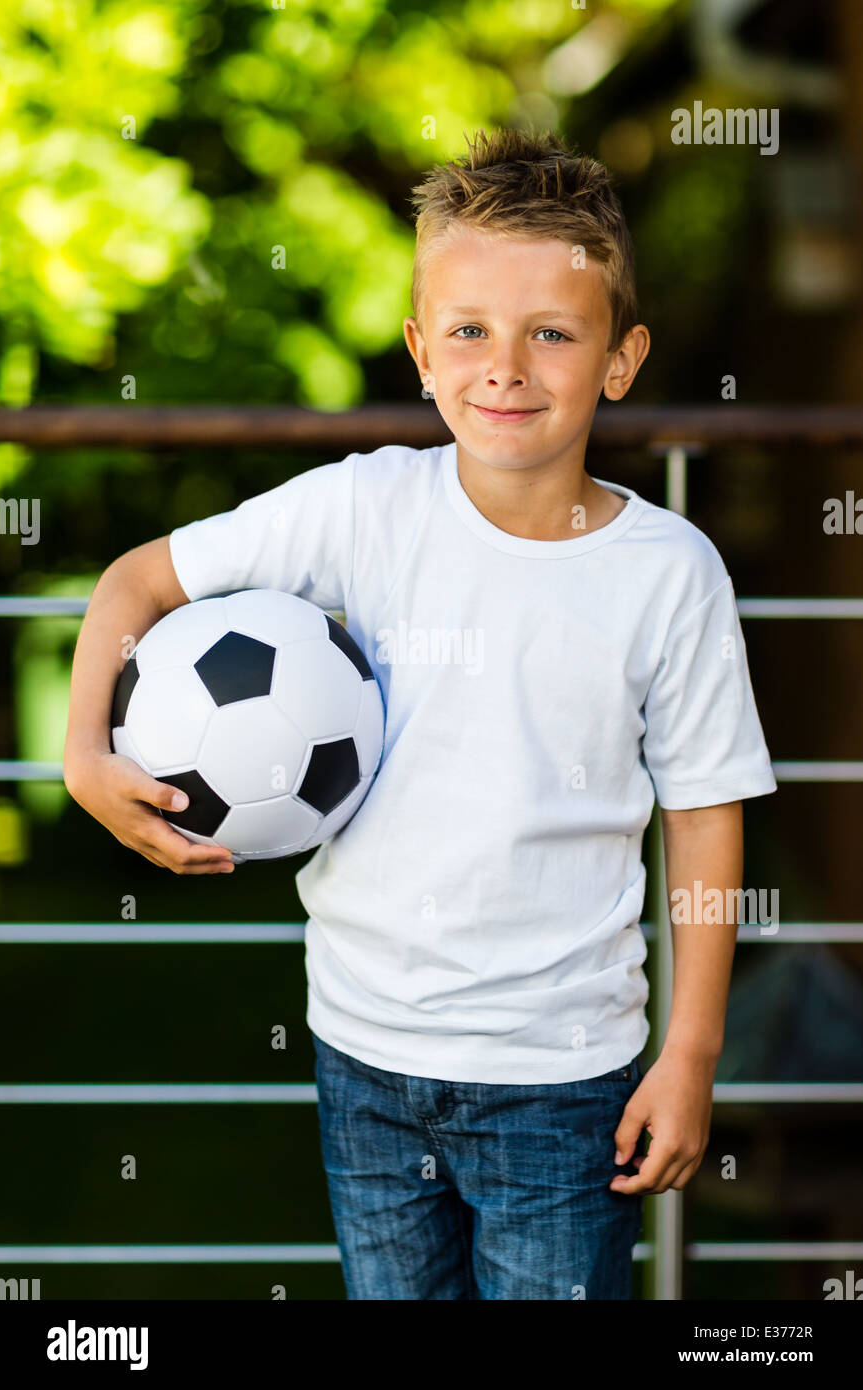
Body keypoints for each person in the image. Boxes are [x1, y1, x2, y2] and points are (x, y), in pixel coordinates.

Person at [63, 127, 777, 1300]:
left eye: (551, 332)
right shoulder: (361, 509)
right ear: (419, 350)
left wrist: (690, 1050)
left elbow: (703, 815)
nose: (506, 366)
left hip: (561, 1076)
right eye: (469, 331)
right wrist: (87, 756)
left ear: (619, 357)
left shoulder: (668, 571)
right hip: (364, 1058)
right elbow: (134, 582)